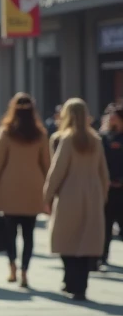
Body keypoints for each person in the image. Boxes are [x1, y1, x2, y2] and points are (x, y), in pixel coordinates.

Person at [45, 99, 110, 302]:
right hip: (92, 195)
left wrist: (48, 195)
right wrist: (102, 196)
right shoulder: (96, 140)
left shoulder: (66, 139)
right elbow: (104, 173)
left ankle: (70, 281)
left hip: (69, 194)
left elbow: (57, 171)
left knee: (67, 240)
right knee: (85, 242)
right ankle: (81, 286)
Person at [0, 93, 50, 289]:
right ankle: (24, 272)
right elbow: (47, 164)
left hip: (9, 189)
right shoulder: (40, 134)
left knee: (10, 233)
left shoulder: (6, 132)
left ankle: (12, 267)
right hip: (33, 189)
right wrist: (49, 192)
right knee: (29, 234)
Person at [102, 106, 123, 267]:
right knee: (105, 226)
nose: (111, 119)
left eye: (114, 116)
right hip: (108, 189)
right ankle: (102, 257)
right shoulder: (104, 137)